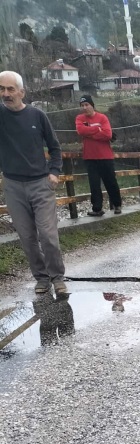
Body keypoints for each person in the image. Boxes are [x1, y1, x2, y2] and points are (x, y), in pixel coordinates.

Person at [0, 70, 68, 296]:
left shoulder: (37, 116)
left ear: (22, 92)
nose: (6, 94)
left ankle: (57, 277)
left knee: (48, 235)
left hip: (40, 183)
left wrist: (54, 172)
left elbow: (55, 147)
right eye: (1, 89)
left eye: (10, 89)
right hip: (13, 185)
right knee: (27, 237)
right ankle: (41, 277)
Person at [75, 95, 122, 217]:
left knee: (110, 182)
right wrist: (97, 129)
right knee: (94, 184)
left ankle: (117, 205)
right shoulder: (80, 118)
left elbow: (108, 135)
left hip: (105, 156)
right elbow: (81, 131)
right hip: (90, 157)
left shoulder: (102, 117)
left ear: (92, 105)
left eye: (87, 105)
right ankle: (97, 209)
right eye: (82, 105)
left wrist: (89, 132)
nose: (85, 107)